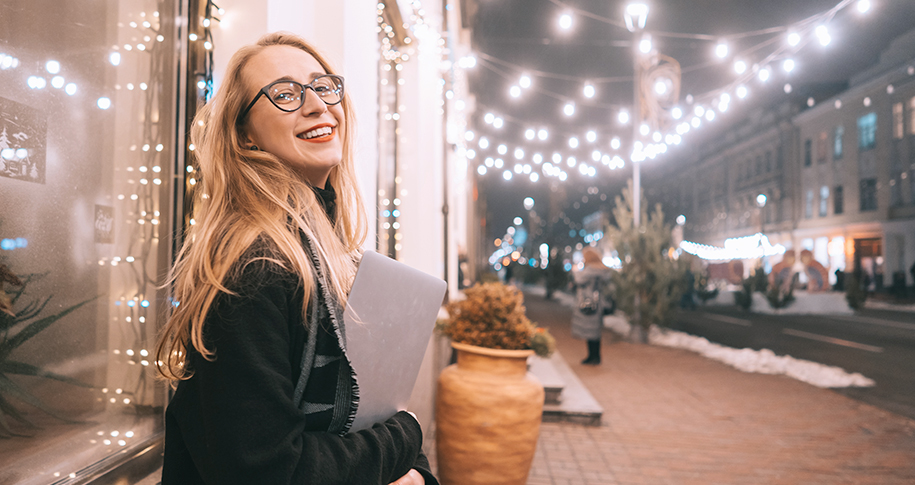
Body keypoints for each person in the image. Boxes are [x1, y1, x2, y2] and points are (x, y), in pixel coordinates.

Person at [155, 33, 433, 485]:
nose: (318, 105)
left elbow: (360, 413)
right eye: (285, 94)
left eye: (323, 86)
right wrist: (408, 434)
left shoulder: (327, 252)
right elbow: (267, 471)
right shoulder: (254, 269)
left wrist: (416, 474)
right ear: (244, 136)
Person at [571, 247, 612, 365]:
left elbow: (579, 280)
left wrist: (575, 269)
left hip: (588, 303)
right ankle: (595, 356)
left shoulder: (590, 270)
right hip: (598, 304)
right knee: (595, 332)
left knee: (589, 332)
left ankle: (592, 357)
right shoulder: (603, 270)